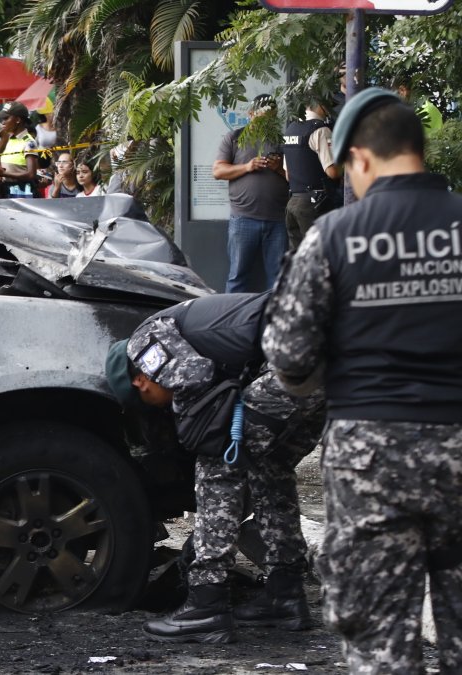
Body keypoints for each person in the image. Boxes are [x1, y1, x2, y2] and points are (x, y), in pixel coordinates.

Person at [262, 87, 462, 675]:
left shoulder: (333, 236)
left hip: (370, 457)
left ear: (362, 157)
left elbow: (289, 357)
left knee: (379, 645)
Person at [105, 292, 326, 644]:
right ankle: (285, 596)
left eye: (150, 402)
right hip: (328, 366)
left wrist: (197, 430)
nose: (161, 407)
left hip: (291, 357)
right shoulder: (181, 326)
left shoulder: (142, 344)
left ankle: (206, 604)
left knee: (218, 462)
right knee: (272, 470)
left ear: (141, 381)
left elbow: (195, 375)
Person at [212, 94, 289, 293]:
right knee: (238, 276)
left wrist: (278, 168)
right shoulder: (235, 137)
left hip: (277, 220)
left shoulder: (281, 140)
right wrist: (247, 167)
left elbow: (296, 178)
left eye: (272, 116)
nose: (267, 120)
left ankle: (275, 312)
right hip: (243, 219)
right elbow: (218, 171)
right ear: (251, 113)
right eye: (263, 115)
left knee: (278, 278)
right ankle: (233, 311)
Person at [281, 99, 340, 248]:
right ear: (320, 105)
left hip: (293, 203)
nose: (330, 111)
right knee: (319, 254)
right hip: (315, 205)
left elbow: (288, 175)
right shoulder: (320, 129)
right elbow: (333, 172)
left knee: (298, 256)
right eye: (328, 105)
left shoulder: (290, 129)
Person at [0, 101, 40, 198]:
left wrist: (4, 174)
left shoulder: (28, 142)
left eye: (6, 118)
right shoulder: (6, 139)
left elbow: (31, 174)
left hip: (21, 192)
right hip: (4, 189)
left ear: (18, 120)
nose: (3, 123)